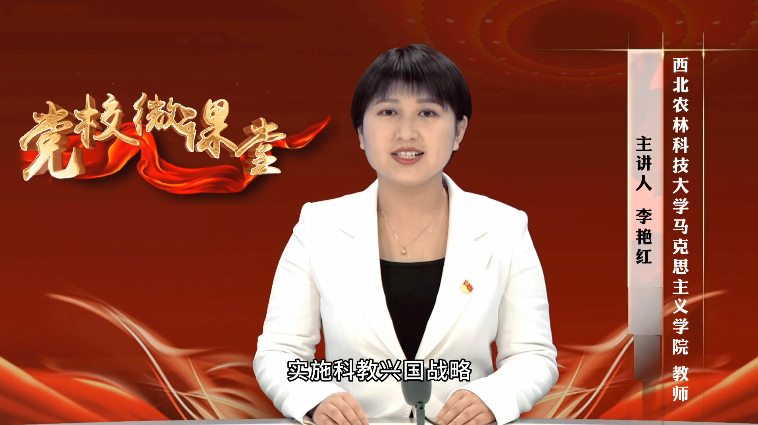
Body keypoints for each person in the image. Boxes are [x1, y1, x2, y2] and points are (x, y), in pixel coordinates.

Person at [254, 44, 558, 425]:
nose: (406, 132)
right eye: (388, 112)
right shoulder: (319, 226)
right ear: (361, 132)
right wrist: (314, 398)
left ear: (459, 131)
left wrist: (493, 398)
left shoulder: (505, 228)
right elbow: (279, 352)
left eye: (427, 112)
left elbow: (533, 355)